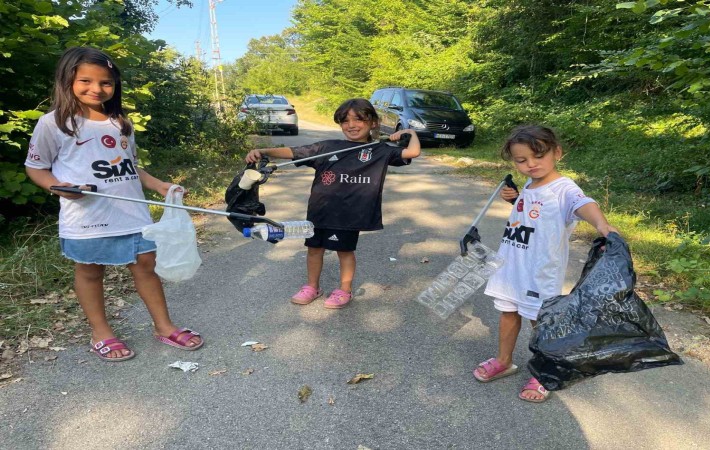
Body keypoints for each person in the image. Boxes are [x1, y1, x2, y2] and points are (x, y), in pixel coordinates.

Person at [24, 47, 203, 362]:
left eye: (106, 82)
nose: (96, 89)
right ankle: (101, 332)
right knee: (90, 272)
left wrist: (160, 185)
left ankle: (163, 326)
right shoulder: (53, 123)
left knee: (146, 266)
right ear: (67, 80)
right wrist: (58, 187)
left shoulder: (121, 122)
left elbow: (132, 166)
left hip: (132, 213)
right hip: (86, 217)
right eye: (86, 81)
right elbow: (35, 167)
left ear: (115, 85)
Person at [473, 125, 618, 403]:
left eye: (538, 156)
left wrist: (601, 223)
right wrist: (516, 199)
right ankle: (504, 360)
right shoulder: (529, 184)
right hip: (511, 265)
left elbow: (583, 203)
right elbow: (534, 216)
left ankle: (544, 371)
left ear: (557, 153)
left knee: (540, 321)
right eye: (521, 160)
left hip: (540, 273)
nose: (530, 164)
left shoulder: (564, 188)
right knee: (507, 312)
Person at [245, 98, 421, 309]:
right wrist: (264, 152)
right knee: (314, 249)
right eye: (345, 121)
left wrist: (410, 133)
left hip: (349, 215)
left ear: (373, 122)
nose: (351, 125)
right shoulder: (328, 147)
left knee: (345, 252)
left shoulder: (380, 150)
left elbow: (413, 152)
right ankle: (312, 287)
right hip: (320, 210)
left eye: (359, 119)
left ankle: (344, 290)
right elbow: (294, 152)